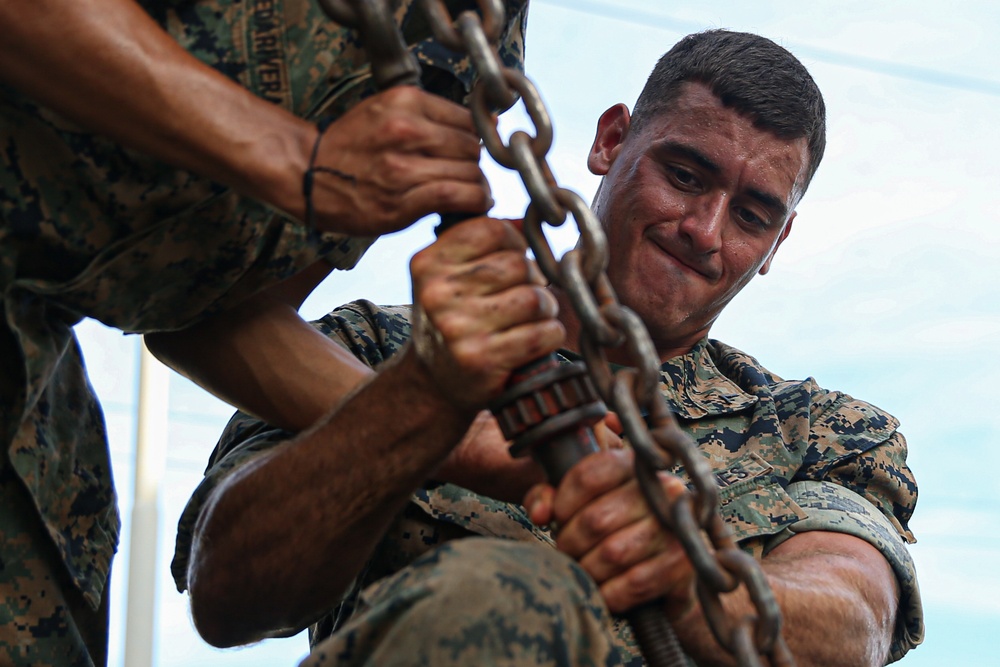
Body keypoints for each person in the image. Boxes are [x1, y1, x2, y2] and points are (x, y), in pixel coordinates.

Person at [172, 29, 923, 666]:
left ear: (777, 242)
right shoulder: (373, 349)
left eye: (753, 215)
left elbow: (852, 619)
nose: (705, 229)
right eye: (685, 174)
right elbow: (229, 591)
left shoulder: (820, 429)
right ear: (611, 140)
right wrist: (429, 399)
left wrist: (694, 581)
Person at [0, 0, 529, 665]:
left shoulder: (475, 38)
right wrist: (293, 157)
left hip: (32, 381)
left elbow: (216, 318)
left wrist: (467, 434)